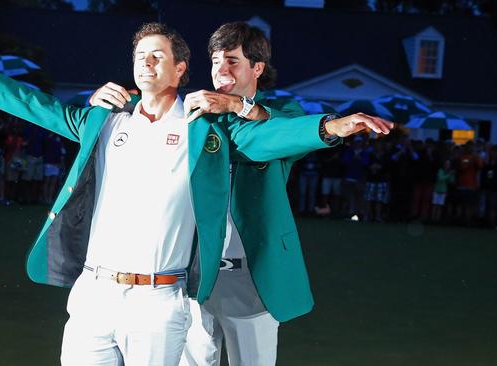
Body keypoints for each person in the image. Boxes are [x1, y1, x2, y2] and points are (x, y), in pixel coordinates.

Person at [0, 22, 392, 365]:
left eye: (158, 56)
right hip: (97, 290)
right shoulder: (106, 116)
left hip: (170, 294)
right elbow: (42, 109)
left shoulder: (208, 124)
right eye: (140, 56)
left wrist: (332, 127)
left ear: (180, 68)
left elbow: (270, 137)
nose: (147, 62)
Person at [89, 22, 393, 366]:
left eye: (232, 60)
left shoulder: (282, 112)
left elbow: (282, 130)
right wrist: (104, 101)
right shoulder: (200, 113)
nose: (221, 69)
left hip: (250, 275)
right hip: (194, 274)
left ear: (257, 68)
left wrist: (331, 125)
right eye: (216, 60)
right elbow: (151, 110)